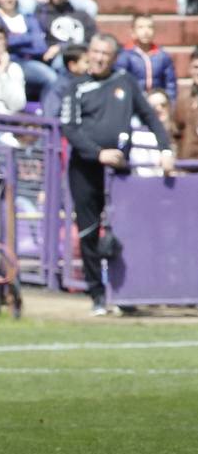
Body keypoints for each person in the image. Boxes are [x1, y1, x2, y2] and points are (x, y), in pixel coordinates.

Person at [59, 34, 174, 315]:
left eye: (104, 54)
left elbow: (149, 116)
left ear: (113, 58)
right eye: (95, 52)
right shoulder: (76, 87)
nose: (98, 58)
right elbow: (69, 129)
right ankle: (97, 293)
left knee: (125, 230)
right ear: (89, 54)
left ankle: (126, 292)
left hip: (120, 170)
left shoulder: (125, 82)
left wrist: (165, 149)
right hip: (85, 169)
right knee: (88, 231)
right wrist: (98, 153)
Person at [115, 14, 177, 100]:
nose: (146, 31)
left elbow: (170, 84)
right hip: (134, 103)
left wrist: (170, 102)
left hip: (157, 103)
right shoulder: (125, 55)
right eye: (141, 27)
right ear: (132, 32)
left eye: (150, 27)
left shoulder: (163, 56)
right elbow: (120, 83)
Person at [39, 42, 88, 119]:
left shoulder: (91, 83)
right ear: (72, 65)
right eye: (87, 62)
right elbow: (50, 116)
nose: (91, 66)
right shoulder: (60, 87)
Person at [172, 48, 198, 160]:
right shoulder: (183, 97)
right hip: (186, 166)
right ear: (190, 69)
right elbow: (174, 132)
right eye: (196, 67)